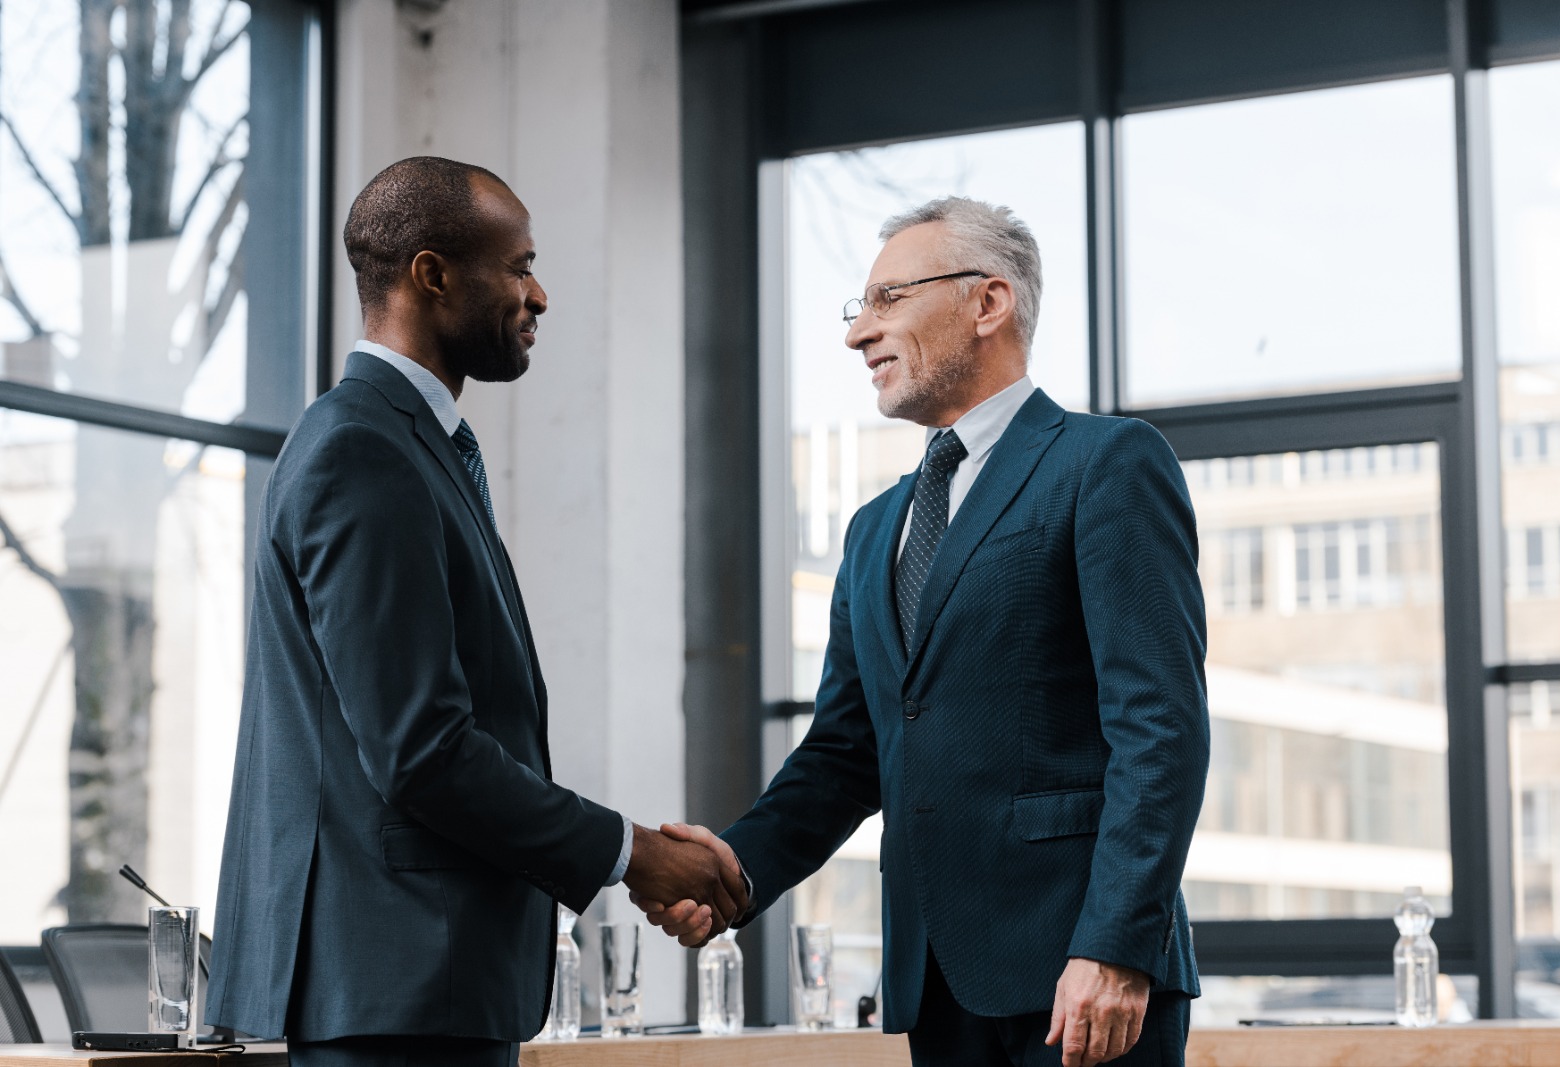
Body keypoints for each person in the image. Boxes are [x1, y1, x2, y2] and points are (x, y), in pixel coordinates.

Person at [204, 156, 746, 1067]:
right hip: (395, 993)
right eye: (520, 265)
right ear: (432, 273)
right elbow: (422, 751)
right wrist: (631, 853)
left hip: (420, 991)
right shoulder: (361, 450)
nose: (539, 295)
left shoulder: (408, 444)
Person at [643, 197, 1208, 1067]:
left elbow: (1161, 729)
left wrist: (1116, 944)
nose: (857, 334)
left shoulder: (1105, 463)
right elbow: (846, 751)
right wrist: (736, 872)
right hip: (937, 985)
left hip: (1083, 979)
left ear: (988, 303)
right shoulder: (877, 528)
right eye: (857, 307)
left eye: (888, 300)